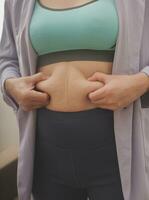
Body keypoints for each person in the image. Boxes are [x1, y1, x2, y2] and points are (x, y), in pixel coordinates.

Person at [0, 0, 149, 200]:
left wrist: (140, 82)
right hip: (46, 150)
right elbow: (7, 60)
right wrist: (10, 85)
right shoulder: (17, 3)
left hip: (115, 150)